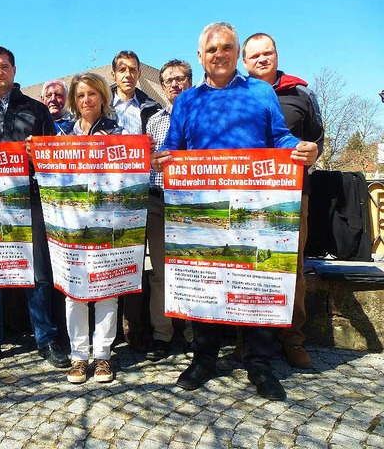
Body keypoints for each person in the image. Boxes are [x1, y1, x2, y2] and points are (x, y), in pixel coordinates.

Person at [151, 22, 318, 401]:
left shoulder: (260, 92)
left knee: (258, 281)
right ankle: (204, 358)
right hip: (203, 212)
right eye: (212, 50)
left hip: (254, 208)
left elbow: (281, 139)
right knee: (205, 279)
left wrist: (309, 150)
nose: (219, 55)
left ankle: (260, 364)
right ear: (201, 57)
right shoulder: (188, 101)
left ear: (236, 52)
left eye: (226, 48)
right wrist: (163, 160)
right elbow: (175, 146)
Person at [0, 46, 69, 370]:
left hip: (30, 201)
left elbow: (56, 159)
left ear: (15, 70)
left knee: (38, 273)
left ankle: (46, 339)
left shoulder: (36, 110)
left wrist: (41, 154)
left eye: (4, 66)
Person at [242, 32, 324, 369]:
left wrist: (314, 151)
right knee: (246, 266)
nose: (262, 59)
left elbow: (317, 140)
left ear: (276, 54)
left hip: (291, 194)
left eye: (268, 53)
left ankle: (292, 339)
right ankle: (247, 340)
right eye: (255, 56)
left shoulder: (301, 93)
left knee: (291, 267)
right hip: (245, 194)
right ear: (244, 62)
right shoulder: (235, 94)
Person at [58, 72, 123, 383]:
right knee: (75, 292)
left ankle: (103, 356)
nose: (86, 100)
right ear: (74, 100)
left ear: (102, 98)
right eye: (81, 95)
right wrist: (35, 154)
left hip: (107, 222)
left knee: (107, 289)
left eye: (92, 94)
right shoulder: (62, 138)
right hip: (72, 225)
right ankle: (79, 355)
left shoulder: (117, 134)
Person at [110, 50, 162, 351]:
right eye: (122, 70)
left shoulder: (150, 108)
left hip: (142, 193)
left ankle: (138, 330)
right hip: (109, 196)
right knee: (111, 262)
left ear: (139, 74)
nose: (128, 75)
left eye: (132, 70)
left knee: (138, 264)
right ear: (114, 74)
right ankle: (111, 330)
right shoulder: (103, 107)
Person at [145, 60, 193, 361]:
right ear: (162, 87)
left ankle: (192, 333)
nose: (175, 84)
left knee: (190, 270)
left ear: (190, 81)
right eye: (169, 81)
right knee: (161, 274)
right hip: (158, 201)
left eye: (181, 79)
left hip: (190, 202)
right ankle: (162, 333)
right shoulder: (153, 121)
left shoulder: (203, 115)